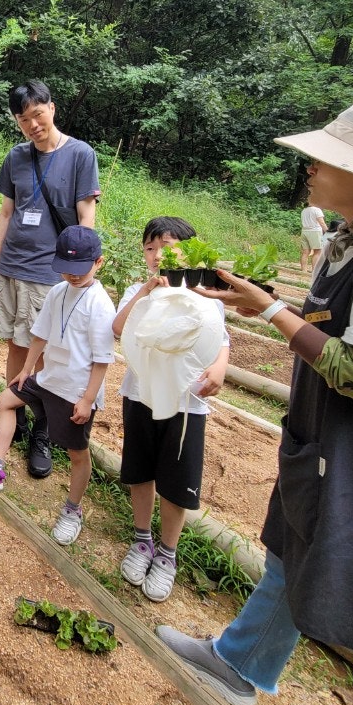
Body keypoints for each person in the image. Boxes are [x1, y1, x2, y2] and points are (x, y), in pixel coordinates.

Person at [158, 96, 353, 705]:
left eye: (326, 159)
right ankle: (242, 662)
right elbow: (345, 333)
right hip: (340, 455)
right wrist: (271, 306)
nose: (311, 166)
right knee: (294, 554)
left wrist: (275, 314)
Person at [0, 81, 101, 480]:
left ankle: (42, 433)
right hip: (12, 266)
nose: (32, 124)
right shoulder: (16, 157)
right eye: (23, 118)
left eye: (37, 114)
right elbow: (6, 213)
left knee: (44, 352)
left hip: (50, 272)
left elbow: (86, 218)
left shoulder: (80, 154)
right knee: (15, 344)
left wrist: (82, 271)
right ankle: (13, 418)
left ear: (52, 108)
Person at [0, 226, 115, 546]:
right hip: (47, 379)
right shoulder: (57, 292)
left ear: (99, 263)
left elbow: (102, 359)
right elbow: (40, 334)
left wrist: (88, 399)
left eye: (80, 270)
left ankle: (72, 510)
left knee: (77, 453)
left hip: (75, 390)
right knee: (6, 399)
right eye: (66, 268)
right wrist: (25, 370)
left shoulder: (100, 304)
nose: (72, 276)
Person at [112, 216, 229, 603]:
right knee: (140, 470)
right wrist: (145, 291)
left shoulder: (205, 294)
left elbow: (220, 338)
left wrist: (220, 366)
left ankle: (167, 553)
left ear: (190, 251)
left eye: (166, 246)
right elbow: (118, 327)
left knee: (176, 482)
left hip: (187, 403)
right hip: (140, 395)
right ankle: (142, 539)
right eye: (150, 247)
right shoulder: (138, 290)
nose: (157, 254)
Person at [298, 203, 327, 272]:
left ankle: (304, 270)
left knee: (305, 252)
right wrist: (328, 231)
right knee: (317, 252)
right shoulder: (317, 210)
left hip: (304, 231)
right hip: (315, 232)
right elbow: (322, 223)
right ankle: (314, 271)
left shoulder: (304, 210)